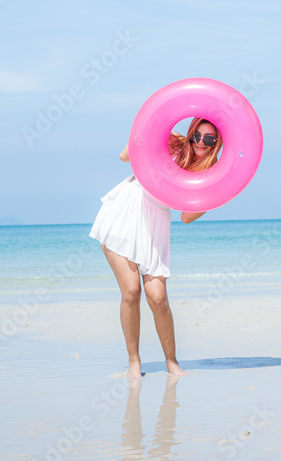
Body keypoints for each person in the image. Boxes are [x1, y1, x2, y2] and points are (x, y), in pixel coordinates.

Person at [90, 117, 221, 377]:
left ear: (217, 143)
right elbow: (124, 156)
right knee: (131, 291)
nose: (201, 143)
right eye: (197, 135)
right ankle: (134, 363)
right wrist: (149, 129)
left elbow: (185, 216)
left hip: (156, 219)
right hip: (126, 209)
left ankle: (171, 361)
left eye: (209, 139)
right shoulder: (173, 141)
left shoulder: (210, 171)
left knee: (158, 297)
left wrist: (213, 199)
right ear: (191, 132)